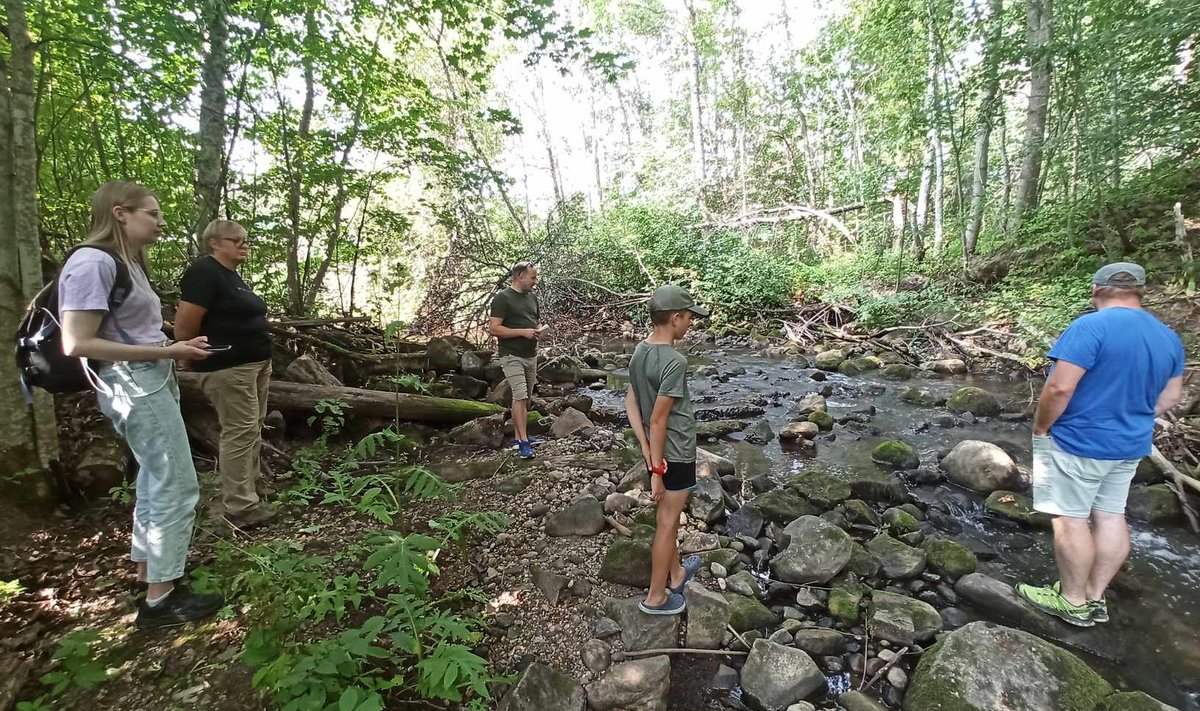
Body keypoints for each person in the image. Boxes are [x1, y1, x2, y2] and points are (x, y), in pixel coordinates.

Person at [59, 181, 225, 628]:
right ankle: (160, 604)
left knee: (156, 478)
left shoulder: (126, 262)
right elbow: (77, 343)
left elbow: (128, 331)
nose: (160, 220)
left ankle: (149, 575)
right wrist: (168, 352)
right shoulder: (92, 262)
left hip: (150, 377)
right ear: (120, 213)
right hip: (131, 384)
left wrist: (174, 347)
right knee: (177, 482)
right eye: (152, 212)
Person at [1016, 262, 1184, 627]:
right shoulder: (1167, 336)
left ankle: (1071, 600)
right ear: (1140, 290)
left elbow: (1060, 387)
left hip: (1079, 440)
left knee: (1070, 518)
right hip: (1129, 446)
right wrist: (1134, 415)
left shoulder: (1088, 327)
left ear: (1096, 289)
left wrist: (1042, 428)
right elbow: (1171, 396)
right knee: (1110, 515)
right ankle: (1095, 596)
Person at [175, 219, 275, 530]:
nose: (244, 245)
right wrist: (187, 353)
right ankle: (240, 506)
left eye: (246, 240)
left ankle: (253, 486)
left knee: (252, 426)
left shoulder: (232, 277)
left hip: (254, 363)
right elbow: (185, 324)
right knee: (240, 430)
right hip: (227, 367)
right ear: (215, 243)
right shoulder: (204, 272)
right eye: (237, 240)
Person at [625, 285, 710, 615]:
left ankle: (676, 574)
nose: (690, 323)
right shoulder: (675, 361)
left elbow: (631, 402)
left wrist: (647, 451)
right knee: (667, 521)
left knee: (667, 521)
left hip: (659, 451)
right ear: (675, 318)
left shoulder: (639, 351)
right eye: (689, 317)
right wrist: (658, 470)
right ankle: (656, 597)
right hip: (675, 451)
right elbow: (660, 420)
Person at [489, 262, 543, 459]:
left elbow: (535, 322)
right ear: (520, 276)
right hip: (511, 355)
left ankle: (523, 435)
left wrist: (537, 332)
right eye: (533, 277)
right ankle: (523, 442)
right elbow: (494, 328)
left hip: (531, 355)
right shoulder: (502, 298)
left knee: (526, 397)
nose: (535, 281)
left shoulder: (532, 297)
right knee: (519, 396)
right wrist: (523, 332)